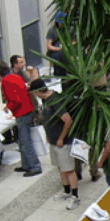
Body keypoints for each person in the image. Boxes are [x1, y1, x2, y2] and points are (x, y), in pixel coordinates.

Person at [29, 79, 80, 209]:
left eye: (34, 93)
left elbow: (68, 121)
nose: (34, 95)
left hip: (62, 142)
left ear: (38, 91)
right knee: (60, 167)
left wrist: (61, 138)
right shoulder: (46, 100)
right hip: (53, 140)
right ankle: (67, 191)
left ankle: (75, 196)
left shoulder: (55, 101)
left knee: (68, 169)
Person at [0, 60, 42, 177]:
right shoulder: (15, 76)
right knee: (22, 140)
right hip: (27, 110)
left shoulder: (6, 81)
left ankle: (35, 166)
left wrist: (8, 107)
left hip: (22, 112)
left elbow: (15, 99)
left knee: (25, 142)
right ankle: (26, 164)